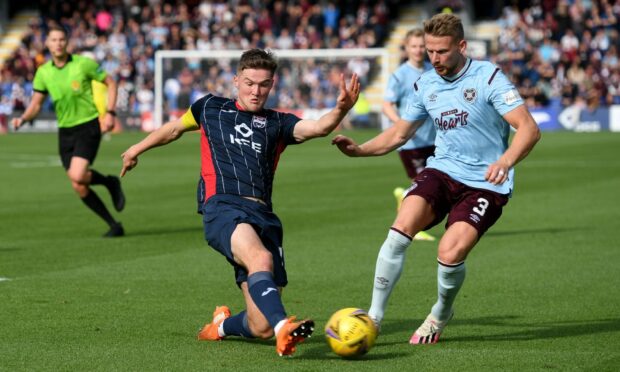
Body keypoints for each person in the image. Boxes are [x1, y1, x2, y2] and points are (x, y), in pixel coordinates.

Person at [120, 49, 360, 356]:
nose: (255, 91)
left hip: (263, 215)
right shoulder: (210, 107)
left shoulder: (278, 123)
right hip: (222, 207)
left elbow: (319, 127)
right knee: (260, 259)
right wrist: (136, 149)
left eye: (263, 84)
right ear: (236, 80)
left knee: (258, 325)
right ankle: (283, 327)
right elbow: (174, 128)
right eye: (249, 83)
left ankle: (221, 326)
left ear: (272, 84)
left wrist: (340, 110)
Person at [332, 13, 540, 344]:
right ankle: (373, 317)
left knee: (449, 252)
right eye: (430, 51)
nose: (434, 59)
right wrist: (359, 150)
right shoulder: (425, 84)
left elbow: (528, 128)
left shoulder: (489, 78)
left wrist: (506, 160)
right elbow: (400, 133)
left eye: (442, 51)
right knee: (400, 229)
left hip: (486, 182)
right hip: (443, 169)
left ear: (461, 45)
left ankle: (441, 312)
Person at [12, 25, 125, 237]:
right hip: (65, 131)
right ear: (47, 44)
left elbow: (111, 82)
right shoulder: (43, 72)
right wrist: (23, 119)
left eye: (61, 39)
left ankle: (111, 182)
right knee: (79, 185)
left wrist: (110, 112)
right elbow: (36, 103)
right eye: (53, 40)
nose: (58, 43)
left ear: (67, 42)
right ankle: (113, 224)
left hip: (87, 125)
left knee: (77, 173)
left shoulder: (83, 64)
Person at [384, 28, 437, 242]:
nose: (418, 50)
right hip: (410, 143)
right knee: (423, 187)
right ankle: (416, 227)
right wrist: (401, 125)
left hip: (434, 138)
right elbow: (387, 105)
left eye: (421, 46)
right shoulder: (399, 75)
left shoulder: (431, 70)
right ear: (406, 48)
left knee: (436, 183)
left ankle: (404, 195)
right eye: (413, 46)